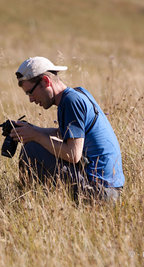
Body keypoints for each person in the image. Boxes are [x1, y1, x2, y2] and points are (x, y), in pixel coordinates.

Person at [9, 56, 125, 202]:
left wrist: (35, 136)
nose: (31, 99)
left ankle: (27, 202)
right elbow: (67, 134)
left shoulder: (71, 102)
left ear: (46, 81)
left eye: (30, 92)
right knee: (35, 143)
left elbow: (73, 154)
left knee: (31, 149)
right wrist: (32, 129)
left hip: (100, 193)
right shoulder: (78, 94)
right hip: (110, 191)